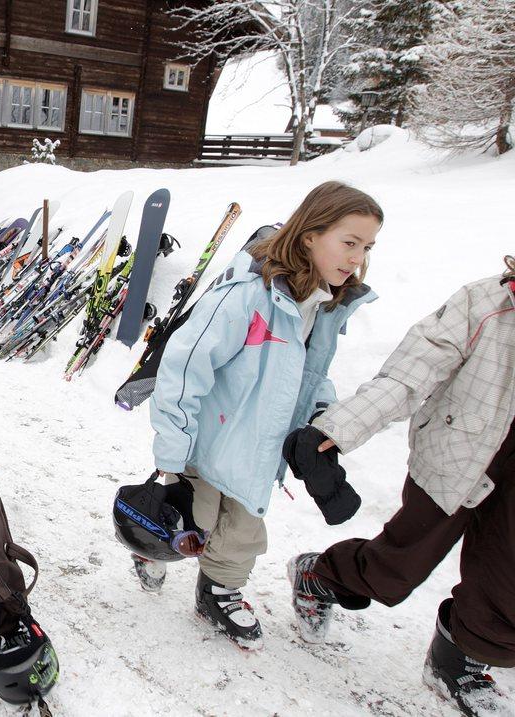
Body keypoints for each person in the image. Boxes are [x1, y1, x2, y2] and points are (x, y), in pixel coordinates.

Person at [147, 181, 383, 650]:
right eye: (349, 242)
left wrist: (321, 411)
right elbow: (185, 366)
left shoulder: (325, 302)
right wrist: (173, 448)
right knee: (195, 518)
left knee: (244, 528)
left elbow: (312, 369)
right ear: (311, 233)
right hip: (210, 440)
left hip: (263, 445)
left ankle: (219, 590)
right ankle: (151, 542)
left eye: (367, 246)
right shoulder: (248, 296)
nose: (357, 257)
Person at [285, 258, 515, 715]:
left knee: (508, 579)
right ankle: (319, 575)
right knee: (400, 564)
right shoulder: (485, 303)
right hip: (458, 455)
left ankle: (456, 659)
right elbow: (408, 377)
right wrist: (335, 429)